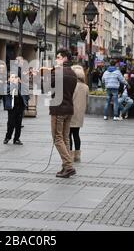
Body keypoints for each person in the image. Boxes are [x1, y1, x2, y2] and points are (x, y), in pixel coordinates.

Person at [47, 49, 78, 178]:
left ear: (64, 58)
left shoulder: (58, 71)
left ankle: (69, 166)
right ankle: (66, 166)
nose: (56, 59)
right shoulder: (73, 73)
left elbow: (48, 85)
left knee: (57, 138)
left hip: (58, 109)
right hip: (69, 108)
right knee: (65, 138)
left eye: (58, 57)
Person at [69, 65, 89, 163]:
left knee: (68, 134)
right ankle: (77, 155)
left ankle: (70, 155)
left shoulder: (71, 86)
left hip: (70, 113)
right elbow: (87, 102)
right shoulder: (86, 87)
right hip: (80, 115)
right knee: (76, 134)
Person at [3, 74, 29, 145]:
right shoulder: (7, 86)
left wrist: (26, 103)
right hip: (12, 108)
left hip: (20, 107)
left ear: (18, 78)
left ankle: (16, 139)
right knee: (11, 123)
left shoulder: (22, 86)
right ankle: (7, 137)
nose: (14, 79)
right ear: (9, 79)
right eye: (12, 77)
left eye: (15, 77)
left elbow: (26, 94)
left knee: (18, 124)